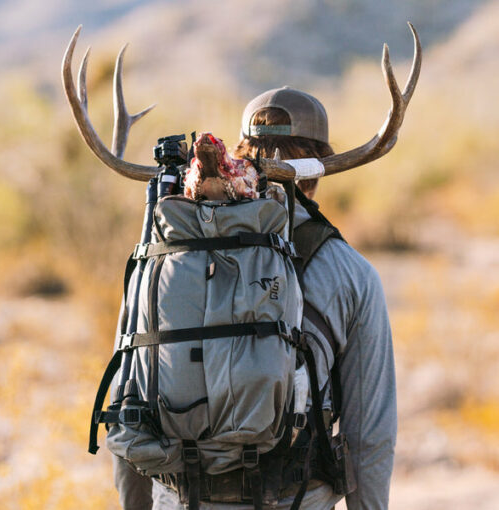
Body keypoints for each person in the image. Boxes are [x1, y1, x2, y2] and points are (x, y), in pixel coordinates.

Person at [113, 86, 396, 510]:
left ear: (242, 154)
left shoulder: (162, 254)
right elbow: (369, 436)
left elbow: (128, 400)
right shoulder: (349, 272)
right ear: (318, 169)